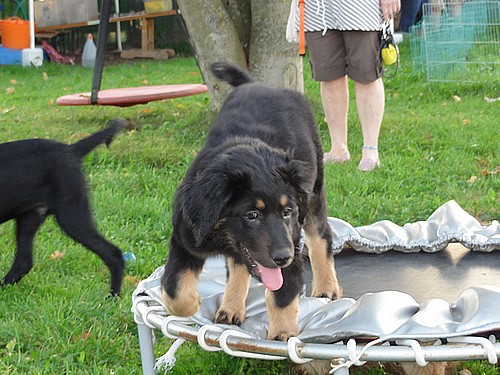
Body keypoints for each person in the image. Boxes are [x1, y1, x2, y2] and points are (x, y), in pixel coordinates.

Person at [292, 0, 401, 171]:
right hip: (318, 7)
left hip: (360, 6)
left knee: (366, 74)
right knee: (329, 75)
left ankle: (370, 150)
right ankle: (338, 149)